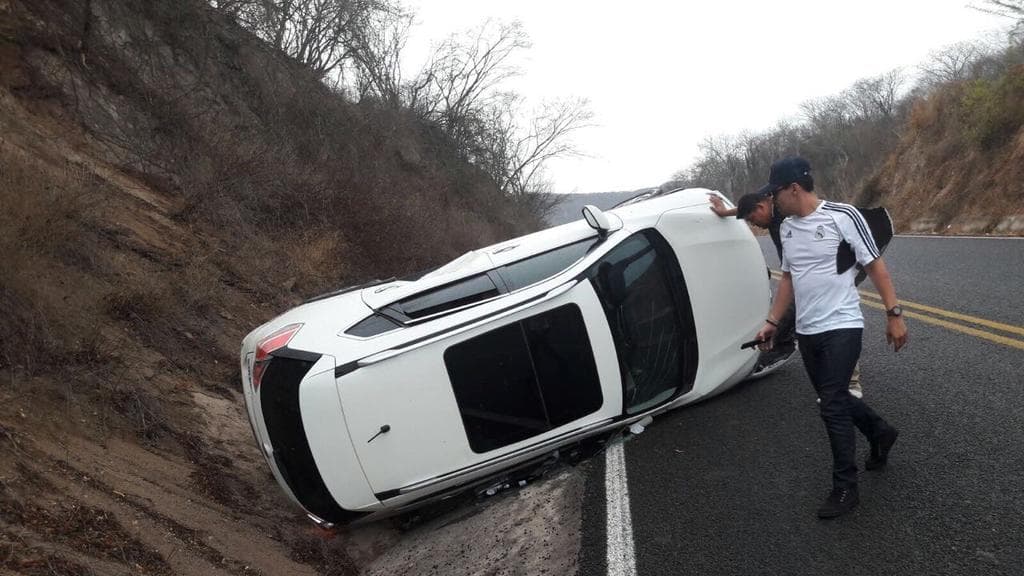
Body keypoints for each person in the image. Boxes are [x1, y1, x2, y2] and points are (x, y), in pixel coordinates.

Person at [753, 156, 907, 519]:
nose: (773, 202)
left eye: (775, 193)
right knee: (831, 396)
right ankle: (880, 431)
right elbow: (789, 278)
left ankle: (845, 487)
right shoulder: (788, 228)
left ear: (794, 188)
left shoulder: (843, 216)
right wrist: (773, 321)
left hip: (842, 324)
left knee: (832, 404)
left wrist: (894, 314)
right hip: (807, 330)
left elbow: (874, 264)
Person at [709, 191, 865, 397]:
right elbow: (750, 205)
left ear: (762, 208)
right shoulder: (772, 215)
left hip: (831, 271)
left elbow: (772, 196)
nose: (754, 225)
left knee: (836, 323)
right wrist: (725, 211)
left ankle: (851, 384)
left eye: (752, 219)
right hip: (801, 277)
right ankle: (827, 378)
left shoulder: (784, 210)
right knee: (808, 322)